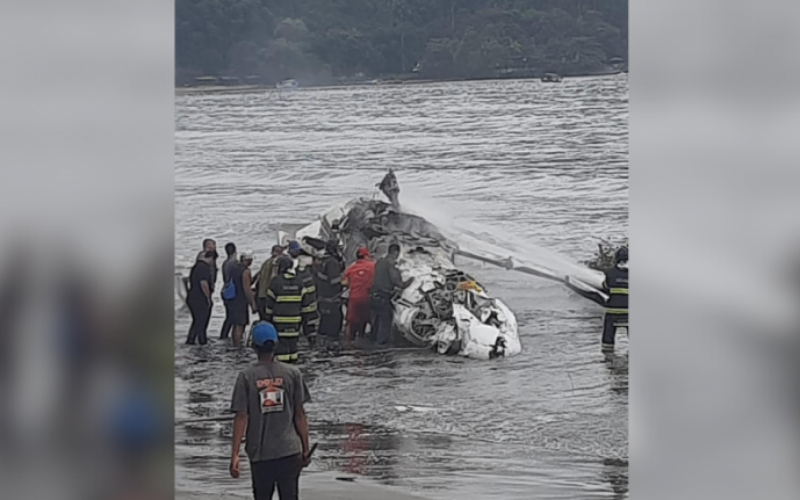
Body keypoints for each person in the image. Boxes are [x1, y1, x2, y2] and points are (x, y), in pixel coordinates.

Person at [229, 322, 312, 500]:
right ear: (276, 345)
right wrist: (305, 449)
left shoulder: (246, 377)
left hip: (261, 455)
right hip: (290, 451)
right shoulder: (293, 373)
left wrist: (235, 455)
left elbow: (241, 417)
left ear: (253, 346)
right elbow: (300, 415)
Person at [264, 257, 320, 362]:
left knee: (281, 350)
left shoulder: (275, 282)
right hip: (295, 322)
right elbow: (305, 305)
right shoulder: (299, 282)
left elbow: (269, 305)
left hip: (279, 322)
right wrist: (306, 322)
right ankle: (293, 369)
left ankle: (283, 371)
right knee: (293, 347)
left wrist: (267, 319)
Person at [369, 243, 413, 345]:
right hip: (383, 295)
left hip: (373, 295)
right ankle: (381, 347)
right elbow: (395, 280)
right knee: (385, 320)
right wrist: (407, 283)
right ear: (396, 252)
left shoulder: (379, 262)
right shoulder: (391, 263)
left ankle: (372, 342)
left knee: (377, 320)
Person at [342, 247, 376, 342]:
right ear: (366, 256)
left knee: (350, 322)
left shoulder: (351, 268)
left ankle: (348, 342)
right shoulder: (373, 266)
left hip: (354, 298)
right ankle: (363, 338)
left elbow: (344, 282)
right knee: (367, 319)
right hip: (368, 298)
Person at [601, 246, 629, 351]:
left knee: (608, 335)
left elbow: (605, 286)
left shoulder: (609, 273)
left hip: (613, 311)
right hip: (630, 312)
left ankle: (607, 353)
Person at [315, 239, 344, 339]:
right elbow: (335, 282)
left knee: (324, 324)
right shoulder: (332, 263)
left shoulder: (324, 260)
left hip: (323, 298)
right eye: (339, 249)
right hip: (332, 299)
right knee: (334, 325)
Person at [229, 250, 258, 347]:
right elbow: (247, 288)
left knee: (235, 324)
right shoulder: (246, 271)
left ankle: (234, 344)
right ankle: (238, 346)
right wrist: (252, 303)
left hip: (233, 298)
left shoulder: (234, 268)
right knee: (240, 324)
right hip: (240, 300)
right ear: (248, 260)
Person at [186, 251, 214, 345]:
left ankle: (191, 341)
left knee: (196, 321)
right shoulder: (204, 267)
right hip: (200, 299)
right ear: (210, 258)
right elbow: (204, 284)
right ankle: (202, 342)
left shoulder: (196, 266)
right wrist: (208, 298)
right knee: (201, 322)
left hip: (192, 297)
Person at [256, 245, 285, 321]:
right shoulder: (276, 263)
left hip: (261, 296)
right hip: (269, 297)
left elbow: (258, 278)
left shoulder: (265, 263)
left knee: (264, 320)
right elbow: (274, 279)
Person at [220, 242, 238, 340]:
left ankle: (224, 335)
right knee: (232, 317)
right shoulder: (234, 263)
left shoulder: (225, 263)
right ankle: (226, 336)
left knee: (229, 316)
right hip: (232, 292)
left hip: (226, 290)